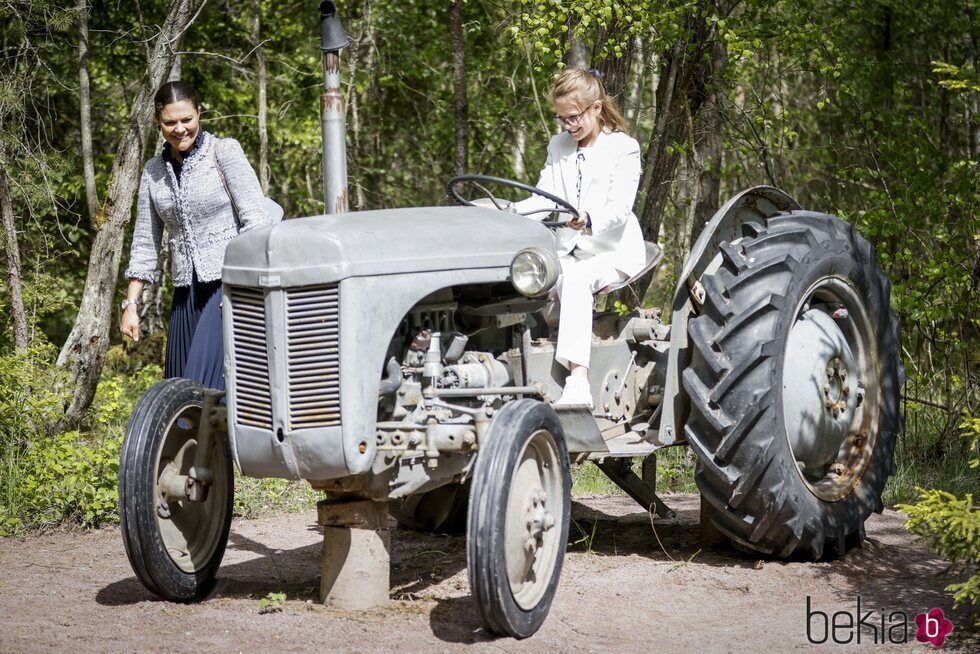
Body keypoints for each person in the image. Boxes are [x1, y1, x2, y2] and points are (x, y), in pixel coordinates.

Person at [119, 81, 268, 391]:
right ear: (158, 122)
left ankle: (223, 438)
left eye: (186, 119)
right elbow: (145, 240)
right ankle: (193, 442)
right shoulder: (153, 172)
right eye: (170, 122)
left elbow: (257, 221)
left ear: (199, 113)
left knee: (202, 385)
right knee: (178, 385)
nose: (180, 129)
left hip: (228, 287)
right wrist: (130, 305)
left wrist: (240, 285)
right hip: (186, 293)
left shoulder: (223, 152)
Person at [514, 68, 646, 407]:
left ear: (596, 109)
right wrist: (510, 212)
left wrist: (589, 219)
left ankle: (578, 381)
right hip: (569, 249)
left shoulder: (623, 148)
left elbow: (620, 207)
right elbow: (544, 197)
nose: (568, 126)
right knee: (527, 271)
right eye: (562, 120)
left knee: (573, 279)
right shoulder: (559, 145)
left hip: (611, 250)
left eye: (574, 118)